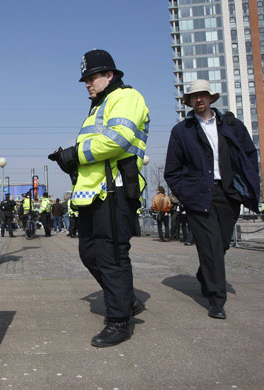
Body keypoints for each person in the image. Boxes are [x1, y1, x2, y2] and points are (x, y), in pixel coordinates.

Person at [49, 49, 148, 347]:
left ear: (110, 74)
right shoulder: (99, 105)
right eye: (85, 80)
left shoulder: (127, 97)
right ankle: (126, 299)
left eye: (92, 77)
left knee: (111, 257)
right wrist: (68, 159)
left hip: (115, 191)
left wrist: (73, 153)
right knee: (90, 254)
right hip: (94, 194)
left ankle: (119, 321)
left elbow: (117, 140)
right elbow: (94, 149)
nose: (88, 84)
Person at [164, 79, 260, 319]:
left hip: (228, 193)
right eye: (194, 96)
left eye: (202, 95)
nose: (198, 100)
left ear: (210, 98)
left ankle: (205, 273)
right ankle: (216, 300)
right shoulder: (181, 131)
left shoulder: (232, 125)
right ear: (189, 101)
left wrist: (246, 184)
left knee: (223, 243)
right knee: (211, 246)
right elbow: (172, 171)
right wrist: (185, 193)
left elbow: (249, 154)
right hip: (198, 196)